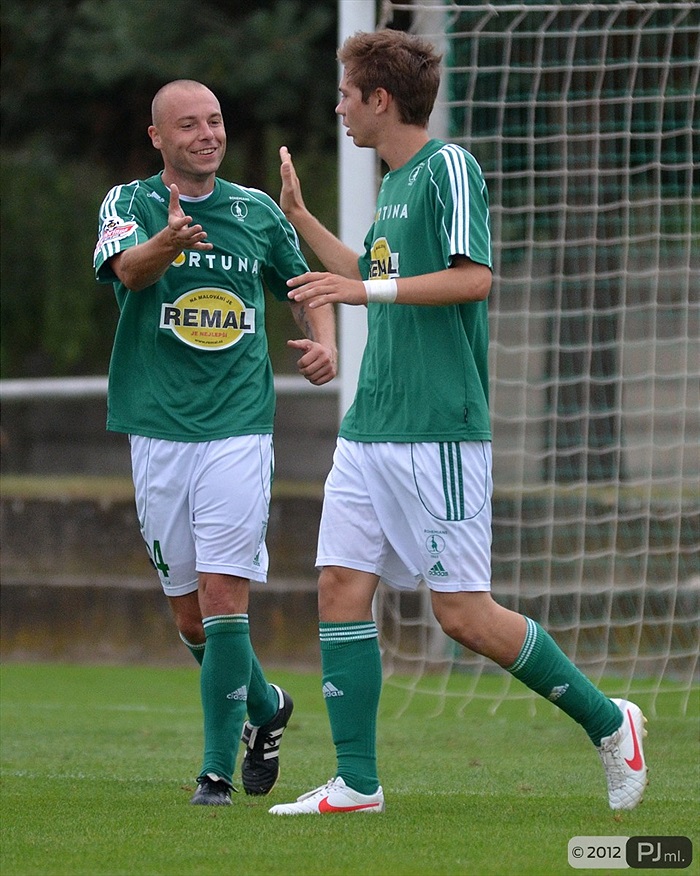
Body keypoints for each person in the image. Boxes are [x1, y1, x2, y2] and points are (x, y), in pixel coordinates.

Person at [267, 30, 648, 815]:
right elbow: (372, 274)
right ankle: (358, 783)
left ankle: (612, 724)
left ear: (380, 99)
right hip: (371, 428)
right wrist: (302, 219)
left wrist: (362, 295)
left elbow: (472, 279)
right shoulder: (394, 186)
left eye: (346, 94)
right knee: (340, 585)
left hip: (437, 431)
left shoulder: (449, 167)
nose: (338, 106)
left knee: (463, 616)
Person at [93, 79, 337, 806]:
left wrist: (324, 344)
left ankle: (213, 776)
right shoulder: (127, 205)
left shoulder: (256, 211)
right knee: (189, 617)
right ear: (157, 138)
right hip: (156, 428)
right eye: (189, 125)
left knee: (225, 594)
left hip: (236, 427)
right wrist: (166, 242)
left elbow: (306, 284)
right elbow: (127, 274)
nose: (207, 134)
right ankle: (265, 708)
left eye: (216, 121)